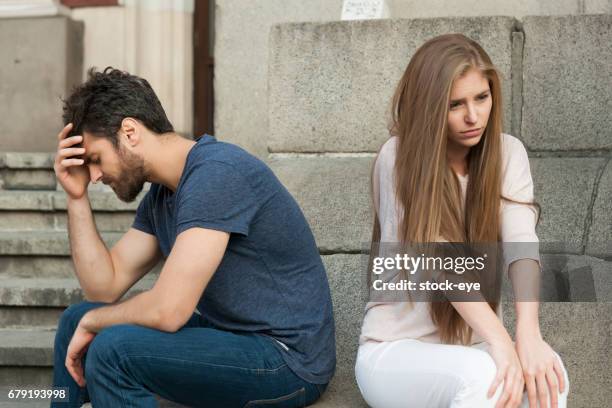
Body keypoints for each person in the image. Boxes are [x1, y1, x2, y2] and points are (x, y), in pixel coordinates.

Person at [51, 67, 335, 407]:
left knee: (115, 351)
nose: (94, 175)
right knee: (74, 319)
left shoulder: (216, 173)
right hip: (230, 337)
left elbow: (169, 310)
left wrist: (95, 321)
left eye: (95, 159)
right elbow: (104, 285)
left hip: (286, 361)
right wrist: (76, 197)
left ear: (129, 132)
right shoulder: (160, 197)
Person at [355, 34, 569, 408]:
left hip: (475, 342)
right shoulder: (398, 156)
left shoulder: (508, 152)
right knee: (483, 377)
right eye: (455, 104)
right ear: (430, 106)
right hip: (396, 353)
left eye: (481, 98)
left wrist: (528, 335)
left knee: (551, 378)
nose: (473, 116)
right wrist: (503, 342)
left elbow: (522, 242)